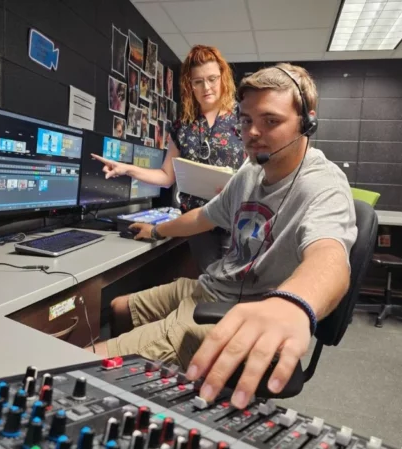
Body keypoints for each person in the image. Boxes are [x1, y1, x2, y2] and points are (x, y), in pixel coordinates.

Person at [86, 62, 358, 409]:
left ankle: (127, 378)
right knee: (118, 308)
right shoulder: (250, 171)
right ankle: (136, 391)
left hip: (243, 312)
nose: (253, 132)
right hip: (210, 289)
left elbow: (330, 258)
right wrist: (156, 229)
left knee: (83, 365)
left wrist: (293, 303)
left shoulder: (323, 185)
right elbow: (204, 216)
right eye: (246, 121)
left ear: (307, 123)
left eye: (270, 121)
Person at [92, 45, 245, 273]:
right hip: (198, 226)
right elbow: (165, 177)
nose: (206, 87)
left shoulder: (243, 118)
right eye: (198, 81)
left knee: (237, 285)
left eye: (212, 79)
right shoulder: (182, 126)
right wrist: (126, 169)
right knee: (211, 283)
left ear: (223, 78)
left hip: (237, 221)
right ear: (189, 85)